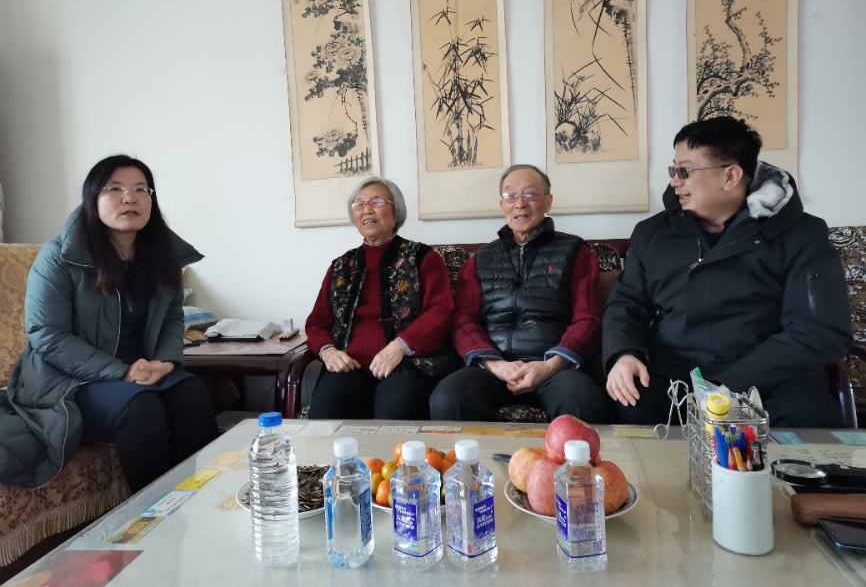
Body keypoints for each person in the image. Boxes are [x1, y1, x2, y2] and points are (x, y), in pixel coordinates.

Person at [604, 116, 852, 428]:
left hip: (768, 378)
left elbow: (819, 330)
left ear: (730, 176)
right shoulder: (653, 234)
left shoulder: (800, 234)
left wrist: (727, 386)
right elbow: (626, 304)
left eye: (685, 171)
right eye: (674, 170)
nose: (675, 182)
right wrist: (623, 354)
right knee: (631, 401)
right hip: (675, 377)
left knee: (810, 416)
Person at [0, 155, 218, 493]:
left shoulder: (162, 256)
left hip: (137, 371)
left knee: (191, 392)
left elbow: (172, 317)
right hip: (65, 382)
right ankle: (155, 514)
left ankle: (202, 500)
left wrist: (166, 362)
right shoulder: (59, 256)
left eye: (140, 189)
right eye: (114, 189)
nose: (129, 198)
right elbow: (48, 335)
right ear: (92, 199)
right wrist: (121, 372)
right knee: (140, 405)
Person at [429, 164, 608, 423]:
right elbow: (463, 322)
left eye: (530, 194)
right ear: (501, 204)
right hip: (494, 366)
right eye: (510, 195)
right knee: (448, 398)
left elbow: (588, 319)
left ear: (548, 201)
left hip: (555, 366)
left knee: (582, 400)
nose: (520, 204)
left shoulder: (576, 253)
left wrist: (551, 364)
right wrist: (496, 365)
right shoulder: (480, 260)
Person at [305, 177, 456, 420]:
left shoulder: (423, 257)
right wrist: (327, 351)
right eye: (359, 204)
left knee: (395, 413)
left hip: (407, 363)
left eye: (376, 202)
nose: (367, 209)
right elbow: (317, 322)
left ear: (396, 212)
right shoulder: (341, 266)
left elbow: (441, 311)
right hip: (350, 365)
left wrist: (401, 346)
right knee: (326, 413)